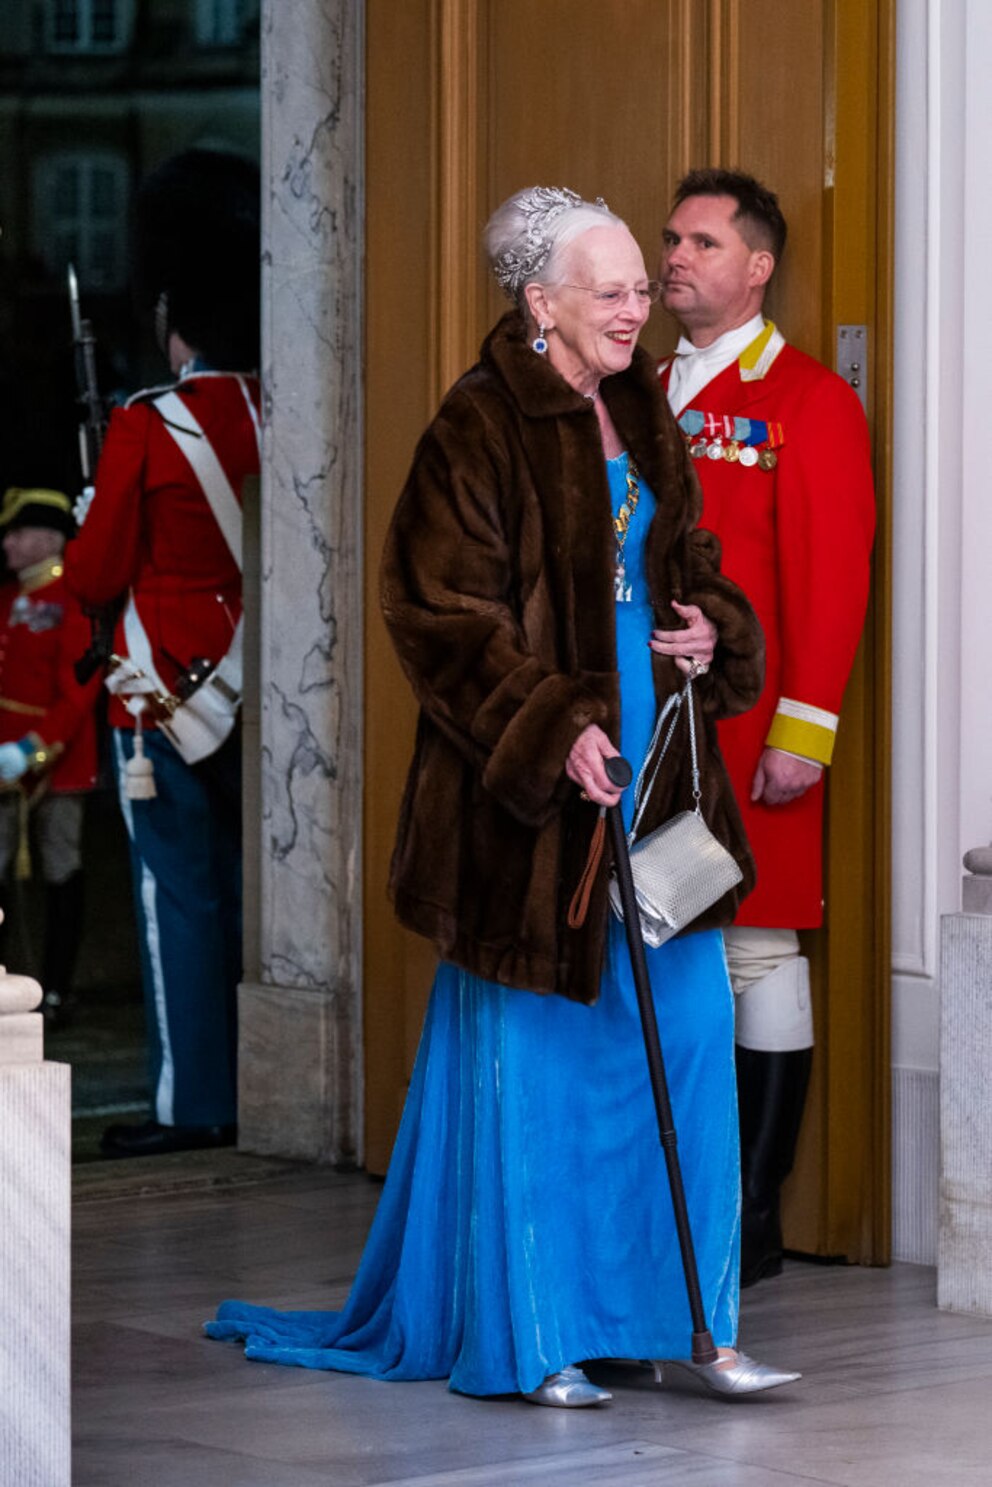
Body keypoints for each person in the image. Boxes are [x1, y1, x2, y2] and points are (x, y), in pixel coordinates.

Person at [206, 186, 799, 1405]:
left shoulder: (644, 407)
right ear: (539, 303)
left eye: (643, 284)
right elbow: (434, 614)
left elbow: (690, 567)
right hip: (529, 799)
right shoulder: (473, 426)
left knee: (678, 1043)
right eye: (612, 290)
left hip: (658, 783)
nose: (639, 307)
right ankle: (538, 1335)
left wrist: (706, 629)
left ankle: (693, 1324)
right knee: (546, 1062)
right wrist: (553, 727)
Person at [658, 168, 876, 1286]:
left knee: (756, 947)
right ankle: (680, 1196)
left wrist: (806, 731)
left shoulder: (806, 400)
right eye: (670, 238)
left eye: (701, 240)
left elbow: (830, 577)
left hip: (752, 727)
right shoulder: (635, 387)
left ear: (757, 265)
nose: (674, 257)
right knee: (664, 947)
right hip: (651, 729)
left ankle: (754, 1210)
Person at [64, 149, 261, 1158]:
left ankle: (192, 1101)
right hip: (247, 685)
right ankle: (250, 1091)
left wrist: (93, 510)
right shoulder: (272, 408)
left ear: (169, 306)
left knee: (175, 898)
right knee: (239, 892)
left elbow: (94, 578)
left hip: (159, 696)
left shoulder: (147, 422)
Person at [0, 487, 100, 1019]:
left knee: (62, 868)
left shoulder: (72, 599)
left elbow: (79, 690)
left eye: (17, 533)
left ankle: (57, 987)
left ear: (46, 538)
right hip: (3, 765)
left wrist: (34, 752)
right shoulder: (10, 598)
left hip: (59, 761)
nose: (9, 543)